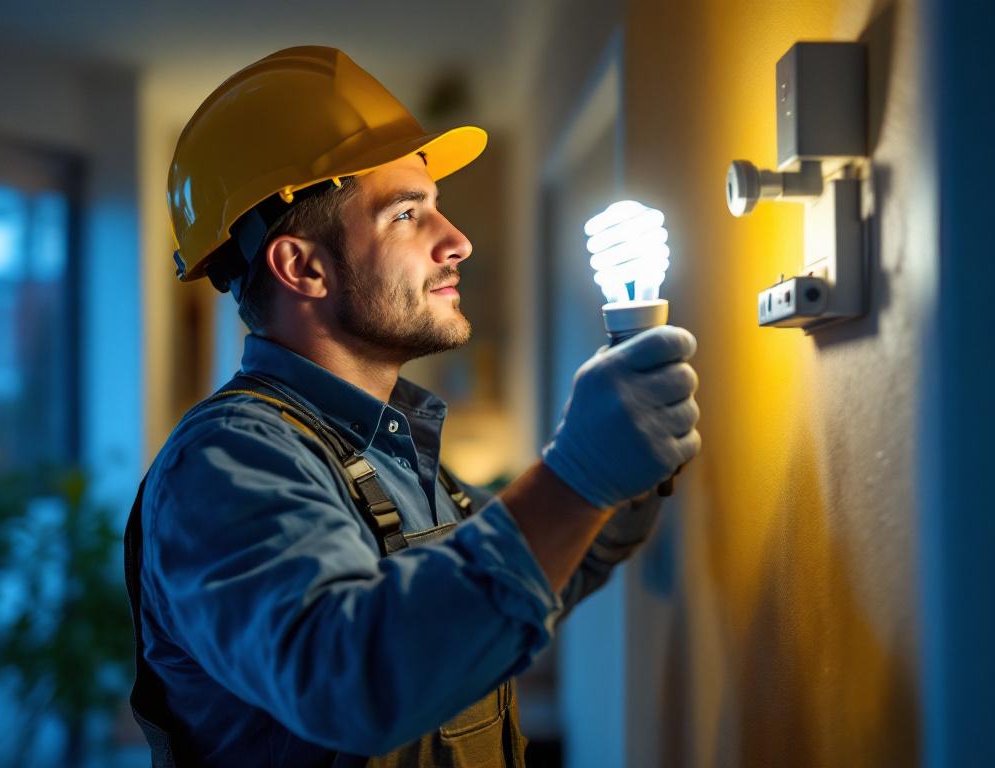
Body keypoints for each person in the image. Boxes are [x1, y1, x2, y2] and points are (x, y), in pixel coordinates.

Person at [124, 45, 701, 767]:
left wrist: (626, 464)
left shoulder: (385, 450)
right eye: (406, 214)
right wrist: (578, 473)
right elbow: (353, 681)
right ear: (303, 266)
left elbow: (536, 574)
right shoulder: (228, 462)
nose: (456, 241)